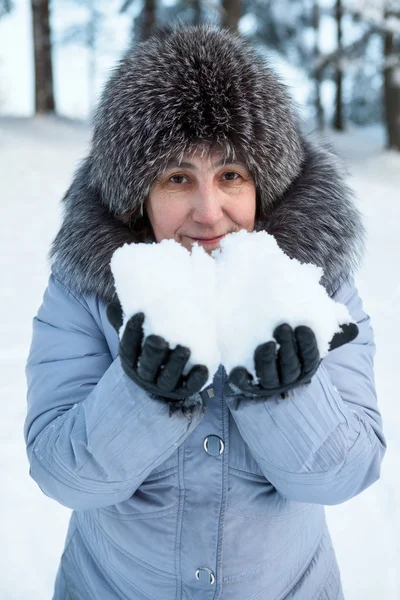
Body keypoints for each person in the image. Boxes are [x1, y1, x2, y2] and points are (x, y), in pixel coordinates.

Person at [24, 24, 386, 600]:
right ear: (136, 194)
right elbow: (61, 472)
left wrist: (285, 396)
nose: (208, 211)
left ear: (263, 185)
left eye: (230, 175)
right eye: (176, 178)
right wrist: (139, 394)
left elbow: (344, 473)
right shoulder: (85, 289)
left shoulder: (317, 287)